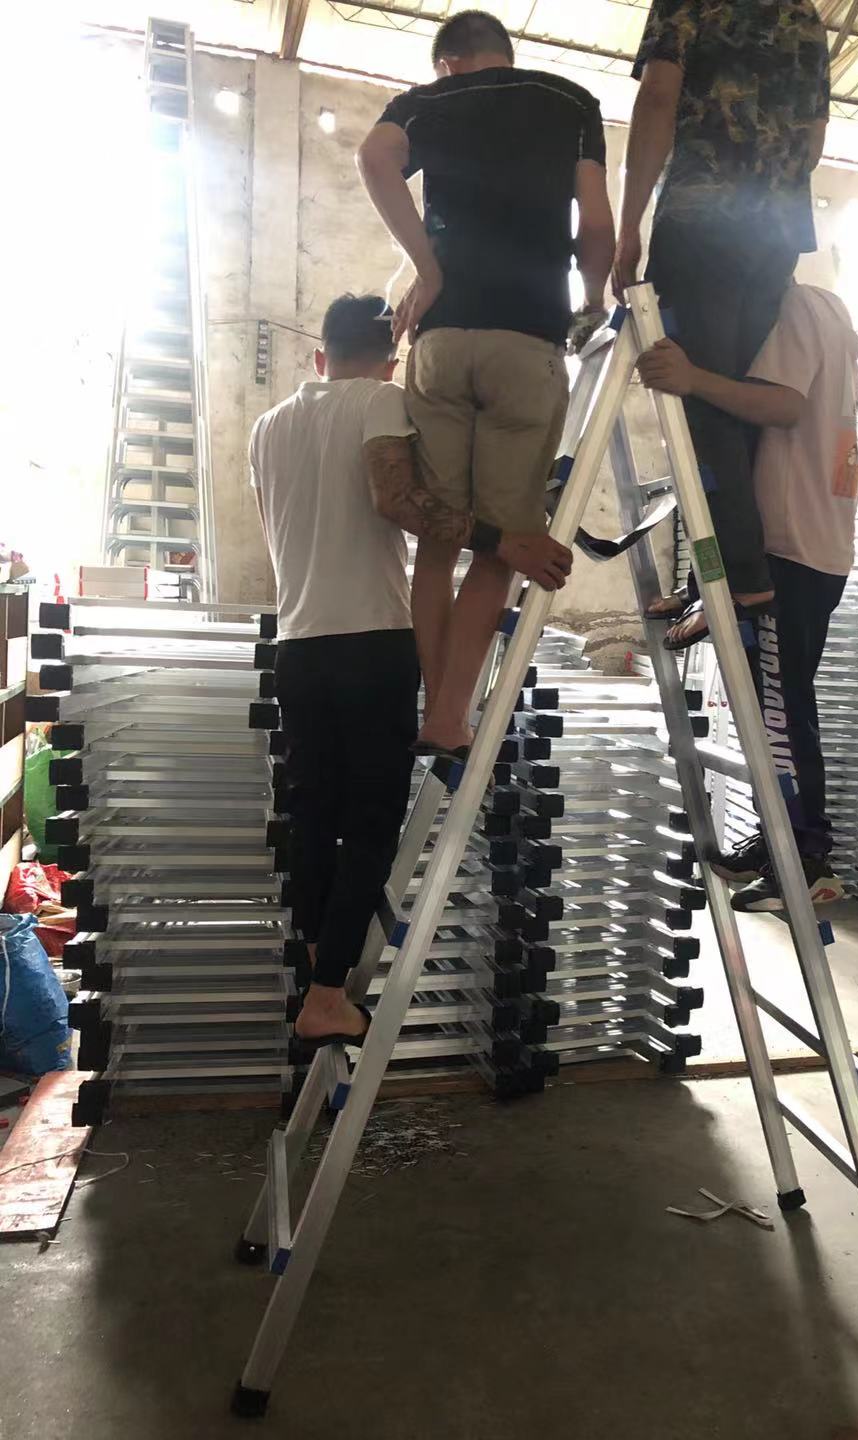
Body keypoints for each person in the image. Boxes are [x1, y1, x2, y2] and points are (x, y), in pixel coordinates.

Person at [250, 294, 573, 1046]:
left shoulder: (268, 426)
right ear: (391, 361)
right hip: (371, 644)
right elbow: (397, 500)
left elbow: (275, 528)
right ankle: (327, 997)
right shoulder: (381, 402)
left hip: (298, 645)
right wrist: (502, 539)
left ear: (320, 356)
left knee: (313, 820)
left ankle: (318, 966)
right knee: (370, 828)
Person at [358, 9, 614, 761]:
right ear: (505, 53)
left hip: (441, 343)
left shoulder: (426, 103)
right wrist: (590, 300)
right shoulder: (570, 103)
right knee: (504, 545)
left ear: (447, 64)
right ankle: (449, 715)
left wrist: (427, 267)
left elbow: (373, 159)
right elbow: (596, 227)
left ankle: (437, 708)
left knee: (442, 535)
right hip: (526, 344)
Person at [638, 282, 858, 911]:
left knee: (782, 711)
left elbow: (782, 407)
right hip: (805, 542)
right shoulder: (822, 310)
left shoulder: (799, 306)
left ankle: (806, 858)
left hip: (793, 548)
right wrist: (701, 589)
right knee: (772, 710)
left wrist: (693, 379)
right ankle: (779, 841)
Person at [613, 0, 830, 616]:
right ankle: (714, 577)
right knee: (735, 402)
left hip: (703, 218)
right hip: (776, 236)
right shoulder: (805, 17)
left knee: (699, 396)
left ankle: (742, 580)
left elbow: (658, 98)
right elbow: (813, 140)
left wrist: (629, 227)